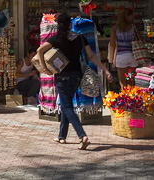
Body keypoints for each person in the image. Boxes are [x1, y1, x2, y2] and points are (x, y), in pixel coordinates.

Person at [37, 13, 113, 150]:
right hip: (77, 75)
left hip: (62, 76)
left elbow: (40, 50)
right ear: (70, 25)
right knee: (67, 104)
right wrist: (105, 70)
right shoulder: (80, 38)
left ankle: (82, 135)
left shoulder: (56, 39)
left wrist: (44, 68)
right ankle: (62, 136)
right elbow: (91, 56)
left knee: (66, 106)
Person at [110, 8, 139, 88]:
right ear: (127, 17)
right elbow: (139, 40)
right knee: (130, 79)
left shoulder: (114, 29)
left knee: (122, 82)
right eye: (131, 15)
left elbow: (112, 44)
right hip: (133, 56)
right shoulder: (133, 28)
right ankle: (132, 97)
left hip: (121, 57)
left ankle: (124, 96)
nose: (133, 17)